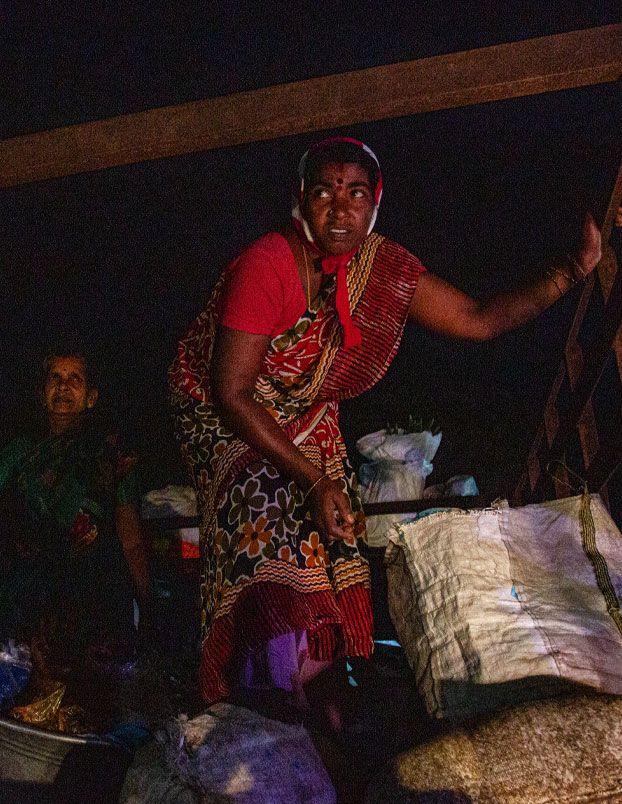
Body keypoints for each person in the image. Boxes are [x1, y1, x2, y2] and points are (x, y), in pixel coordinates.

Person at [169, 137, 602, 725]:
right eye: (324, 191)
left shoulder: (379, 267)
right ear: (302, 202)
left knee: (335, 532)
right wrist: (313, 478)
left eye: (355, 194)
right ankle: (262, 700)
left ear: (375, 205)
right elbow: (231, 393)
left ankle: (324, 695)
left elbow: (477, 321)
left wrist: (569, 272)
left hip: (303, 412)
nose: (339, 208)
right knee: (268, 515)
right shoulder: (266, 265)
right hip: (223, 412)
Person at [0, 347, 152, 678]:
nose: (64, 386)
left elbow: (130, 538)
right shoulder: (19, 453)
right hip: (29, 595)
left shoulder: (111, 454)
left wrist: (148, 602)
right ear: (43, 394)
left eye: (75, 379)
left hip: (91, 596)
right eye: (55, 378)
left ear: (91, 398)